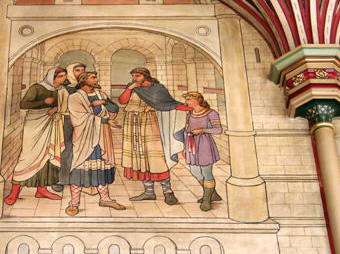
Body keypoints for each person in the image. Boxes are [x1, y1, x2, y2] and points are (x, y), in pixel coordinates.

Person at [119, 67, 191, 205]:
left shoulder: (157, 88)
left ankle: (168, 192)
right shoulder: (132, 87)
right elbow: (122, 101)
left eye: (138, 76)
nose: (135, 78)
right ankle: (149, 192)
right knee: (140, 157)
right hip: (132, 124)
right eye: (133, 76)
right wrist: (129, 89)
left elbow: (170, 104)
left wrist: (189, 109)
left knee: (155, 157)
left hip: (149, 122)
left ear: (145, 76)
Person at [4, 67, 67, 205]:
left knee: (47, 156)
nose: (63, 79)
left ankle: (42, 190)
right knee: (27, 157)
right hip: (35, 124)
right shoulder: (37, 88)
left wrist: (55, 109)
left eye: (64, 76)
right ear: (53, 77)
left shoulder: (60, 90)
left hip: (51, 124)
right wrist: (43, 103)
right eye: (60, 76)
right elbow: (23, 104)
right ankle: (14, 193)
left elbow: (60, 105)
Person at [66, 72, 125, 216]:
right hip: (84, 137)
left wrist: (103, 102)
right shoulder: (75, 97)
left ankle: (105, 199)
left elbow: (114, 108)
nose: (96, 80)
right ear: (84, 81)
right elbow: (80, 118)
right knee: (80, 166)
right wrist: (104, 119)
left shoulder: (100, 94)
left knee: (103, 165)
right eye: (93, 78)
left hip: (102, 136)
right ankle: (74, 203)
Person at [182, 91, 223, 211]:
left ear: (198, 100)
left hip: (205, 145)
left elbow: (218, 129)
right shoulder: (190, 113)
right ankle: (211, 193)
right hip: (192, 145)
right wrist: (185, 147)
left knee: (206, 173)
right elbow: (187, 130)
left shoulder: (211, 113)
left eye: (189, 99)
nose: (186, 102)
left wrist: (202, 130)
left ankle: (206, 200)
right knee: (195, 171)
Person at [53, 62, 87, 193]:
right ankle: (61, 179)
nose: (80, 73)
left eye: (83, 70)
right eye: (77, 70)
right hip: (67, 120)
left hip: (82, 120)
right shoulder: (63, 87)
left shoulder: (86, 86)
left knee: (82, 147)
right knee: (65, 149)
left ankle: (79, 178)